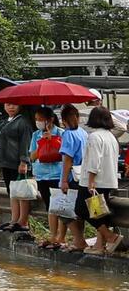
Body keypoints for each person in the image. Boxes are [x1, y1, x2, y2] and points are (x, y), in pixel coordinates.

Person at [80, 105, 121, 255]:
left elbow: (94, 161)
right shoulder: (111, 137)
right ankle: (99, 244)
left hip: (94, 181)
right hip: (108, 180)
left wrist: (90, 181)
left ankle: (110, 236)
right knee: (99, 212)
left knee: (82, 208)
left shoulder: (95, 136)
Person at [0, 101, 37, 236]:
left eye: (14, 104)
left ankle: (22, 221)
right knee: (13, 191)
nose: (11, 107)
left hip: (17, 162)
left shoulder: (23, 122)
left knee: (22, 192)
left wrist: (24, 161)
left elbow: (26, 142)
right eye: (8, 104)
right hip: (6, 161)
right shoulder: (6, 121)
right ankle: (14, 219)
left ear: (20, 106)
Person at [28, 108, 68, 250]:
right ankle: (53, 235)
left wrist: (53, 142)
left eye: (40, 119)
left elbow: (66, 155)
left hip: (58, 174)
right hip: (42, 175)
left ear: (50, 119)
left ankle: (62, 237)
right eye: (36, 119)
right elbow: (32, 157)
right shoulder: (36, 135)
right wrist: (42, 144)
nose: (38, 122)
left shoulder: (62, 134)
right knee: (50, 206)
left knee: (61, 206)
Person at [57, 104, 92, 252]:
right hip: (83, 175)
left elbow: (67, 159)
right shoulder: (83, 133)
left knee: (64, 210)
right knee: (79, 212)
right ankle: (80, 239)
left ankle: (79, 240)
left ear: (63, 120)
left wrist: (64, 180)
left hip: (72, 176)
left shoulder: (67, 135)